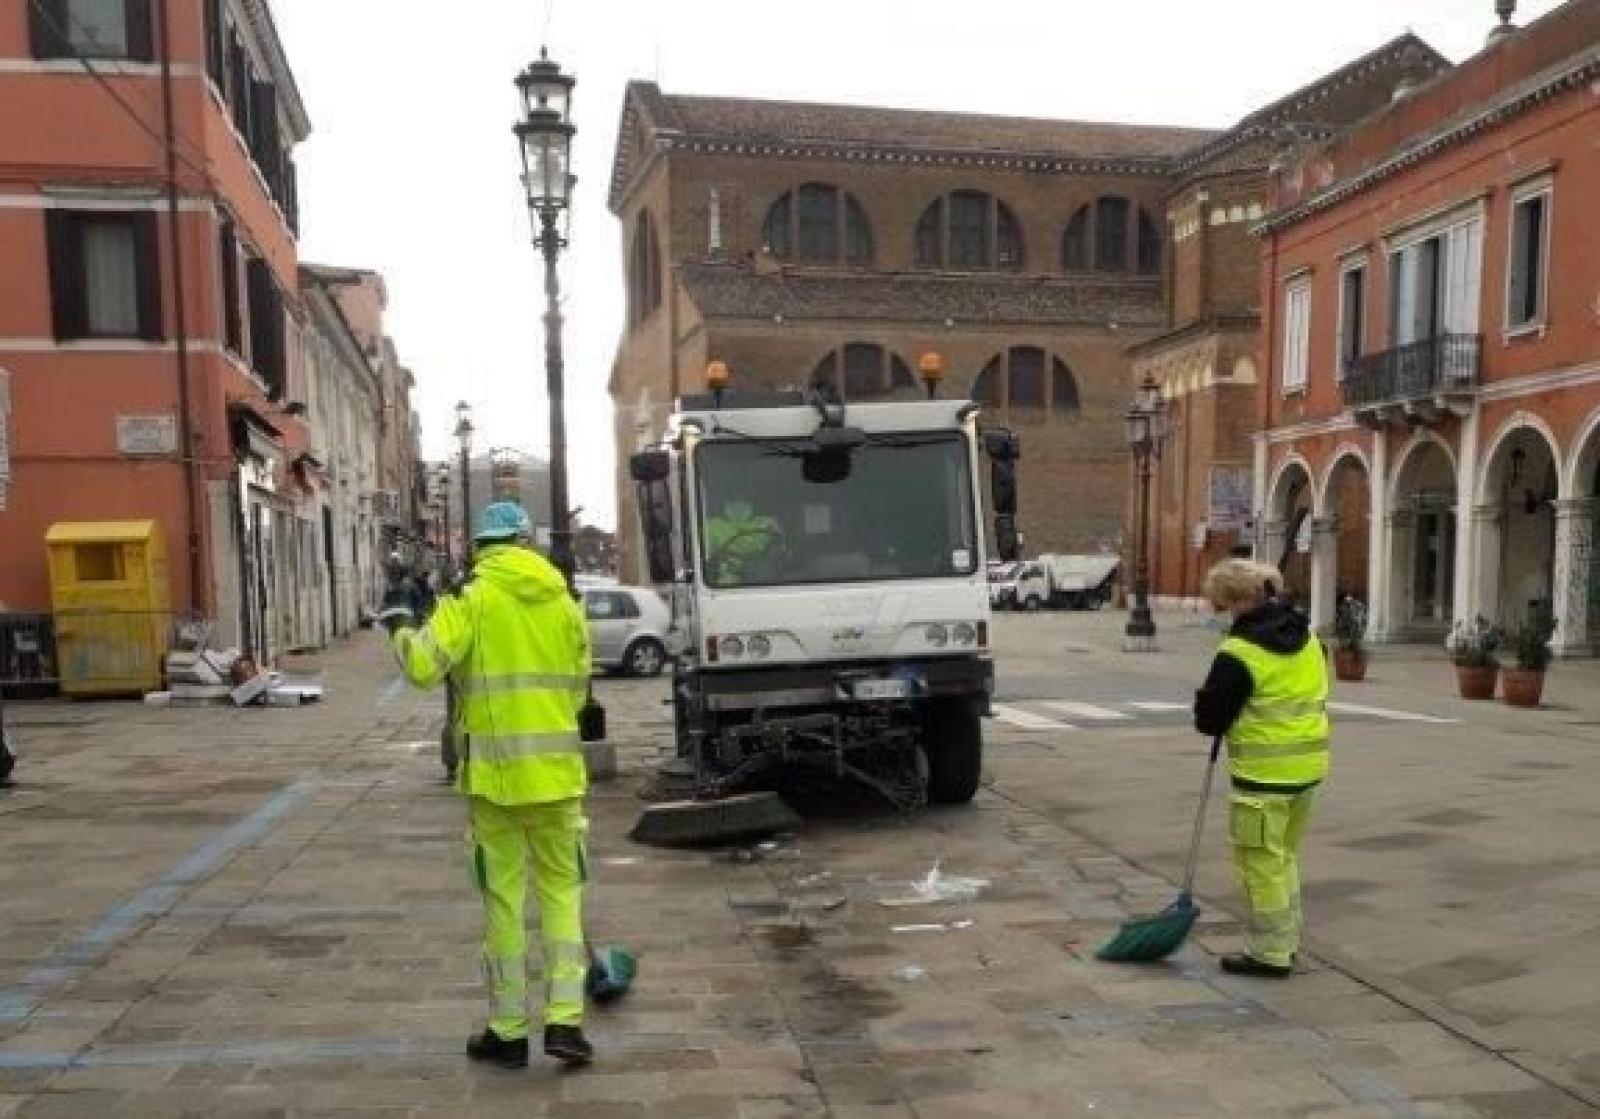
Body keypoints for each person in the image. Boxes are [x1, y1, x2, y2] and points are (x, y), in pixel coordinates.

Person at [380, 502, 594, 1068]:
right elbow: (577, 692)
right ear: (528, 543)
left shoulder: (471, 600)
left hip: (496, 783)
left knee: (503, 903)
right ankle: (566, 1023)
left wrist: (400, 623)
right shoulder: (564, 604)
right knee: (562, 897)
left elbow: (423, 667)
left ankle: (508, 1031)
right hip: (558, 780)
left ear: (480, 548)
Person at [1193, 558, 1329, 979]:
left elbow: (1209, 720)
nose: (1221, 613)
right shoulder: (1307, 637)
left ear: (1236, 601)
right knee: (1283, 858)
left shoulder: (1239, 653)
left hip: (1263, 778)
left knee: (1260, 864)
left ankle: (1269, 953)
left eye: (1222, 604)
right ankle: (1286, 941)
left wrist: (1208, 700)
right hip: (1308, 769)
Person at [702, 498, 782, 584]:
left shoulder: (767, 523)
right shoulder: (712, 526)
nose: (738, 506)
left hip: (765, 575)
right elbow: (706, 556)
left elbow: (781, 548)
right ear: (725, 504)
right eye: (733, 502)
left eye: (743, 501)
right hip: (729, 575)